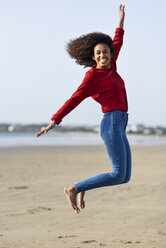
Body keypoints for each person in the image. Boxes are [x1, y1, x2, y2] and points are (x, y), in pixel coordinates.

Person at [36, 4, 131, 214]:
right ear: (93, 57)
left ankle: (83, 186)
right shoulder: (92, 77)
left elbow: (118, 41)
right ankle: (74, 188)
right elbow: (75, 99)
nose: (104, 55)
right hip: (111, 123)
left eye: (106, 51)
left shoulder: (112, 64)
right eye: (99, 53)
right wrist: (55, 120)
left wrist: (121, 21)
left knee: (124, 177)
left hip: (120, 123)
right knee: (117, 174)